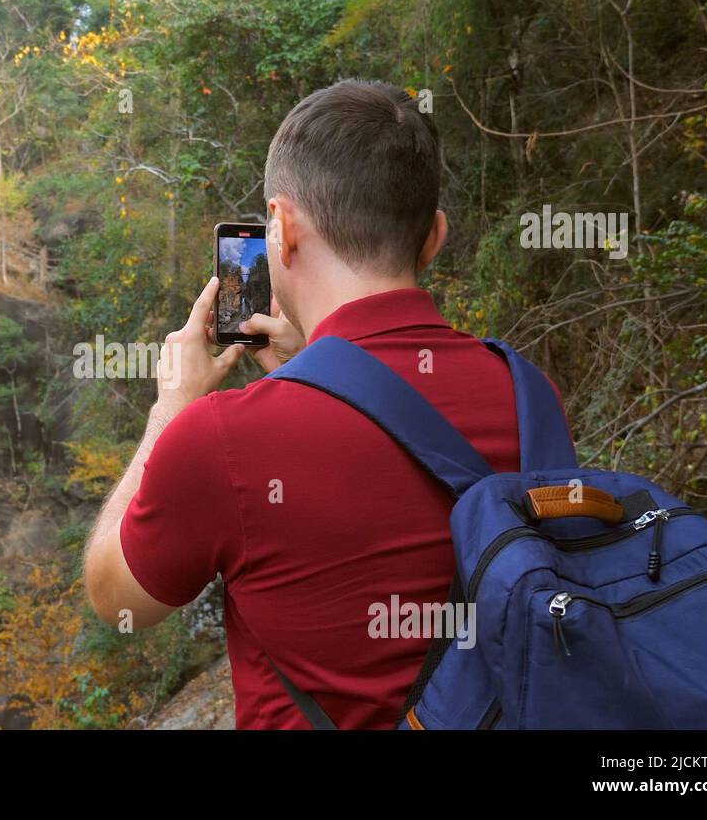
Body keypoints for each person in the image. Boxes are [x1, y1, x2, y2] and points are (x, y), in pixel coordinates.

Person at [83, 79, 531, 729]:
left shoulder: (224, 438)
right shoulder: (527, 392)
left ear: (281, 230)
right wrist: (322, 373)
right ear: (433, 237)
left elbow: (115, 594)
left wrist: (168, 413)